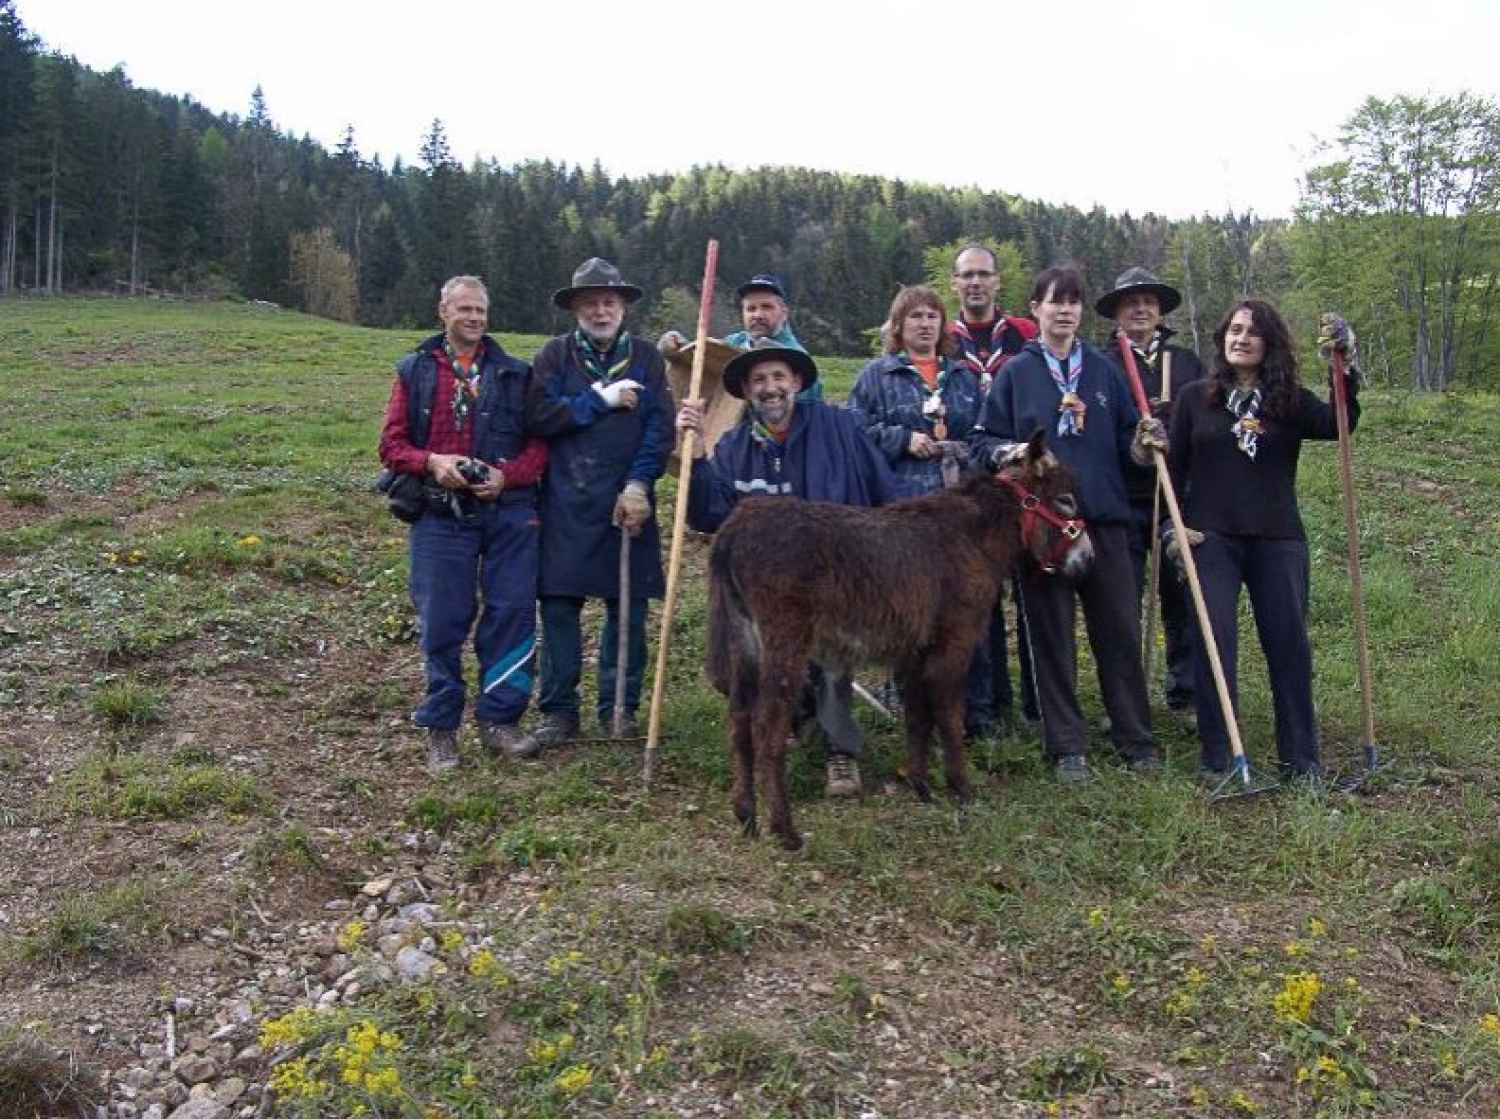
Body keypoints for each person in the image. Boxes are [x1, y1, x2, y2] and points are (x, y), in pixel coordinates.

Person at [971, 264, 1167, 782]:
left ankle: (1135, 737)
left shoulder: (1103, 370)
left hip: (1105, 520)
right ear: (1034, 310)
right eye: (1054, 301)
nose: (1065, 310)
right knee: (1050, 636)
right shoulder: (1016, 372)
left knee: (1119, 632)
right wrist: (1008, 451)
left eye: (1074, 301)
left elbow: (1131, 441)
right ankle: (1066, 746)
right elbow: (982, 442)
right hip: (1042, 528)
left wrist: (1145, 447)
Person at [678, 345, 897, 798]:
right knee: (731, 667)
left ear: (796, 382)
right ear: (746, 392)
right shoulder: (734, 448)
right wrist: (696, 455)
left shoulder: (838, 428)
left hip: (834, 580)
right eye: (758, 381)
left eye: (778, 377)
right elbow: (706, 514)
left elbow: (884, 492)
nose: (770, 388)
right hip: (765, 594)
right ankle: (798, 716)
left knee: (833, 658)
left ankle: (841, 751)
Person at [1164, 301, 1361, 782]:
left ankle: (1301, 759)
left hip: (1278, 537)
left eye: (1253, 332)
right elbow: (1173, 470)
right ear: (1222, 338)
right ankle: (1218, 756)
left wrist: (1346, 364)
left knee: (1289, 644)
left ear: (1269, 343)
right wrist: (1172, 529)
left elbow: (1339, 422)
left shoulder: (1288, 399)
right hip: (1210, 538)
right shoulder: (1195, 398)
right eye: (1234, 329)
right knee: (1216, 643)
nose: (1241, 338)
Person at [378, 275, 547, 773]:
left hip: (509, 512)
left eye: (479, 310)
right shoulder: (415, 371)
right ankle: (442, 729)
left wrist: (506, 475)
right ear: (443, 313)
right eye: (463, 309)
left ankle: (500, 720)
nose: (472, 318)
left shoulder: (517, 374)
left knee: (513, 612)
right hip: (438, 514)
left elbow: (540, 446)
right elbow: (390, 446)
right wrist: (433, 462)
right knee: (442, 621)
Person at [527, 258, 676, 743]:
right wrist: (601, 401)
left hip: (626, 502)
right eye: (590, 302)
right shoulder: (554, 356)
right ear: (575, 309)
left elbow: (659, 428)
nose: (600, 310)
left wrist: (639, 484)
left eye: (608, 301)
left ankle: (620, 709)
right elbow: (540, 416)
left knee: (627, 609)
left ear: (623, 307)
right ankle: (559, 712)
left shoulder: (648, 359)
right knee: (559, 608)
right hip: (565, 501)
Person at [847, 285, 996, 740]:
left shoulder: (964, 377)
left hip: (961, 518)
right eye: (915, 317)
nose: (925, 324)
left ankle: (977, 712)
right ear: (898, 326)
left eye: (933, 316)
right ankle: (915, 710)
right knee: (912, 616)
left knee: (967, 614)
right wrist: (901, 440)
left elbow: (984, 435)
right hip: (903, 516)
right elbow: (853, 431)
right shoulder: (877, 376)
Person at [1097, 267, 1205, 721]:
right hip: (1122, 499)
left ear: (1160, 310)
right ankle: (1126, 701)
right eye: (1130, 302)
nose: (1140, 308)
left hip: (1175, 496)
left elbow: (1204, 421)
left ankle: (1184, 694)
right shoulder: (1101, 364)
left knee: (1181, 597)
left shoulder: (1187, 363)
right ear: (1117, 312)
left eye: (1149, 301)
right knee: (1122, 602)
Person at [948, 243, 1041, 732]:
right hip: (967, 490)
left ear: (998, 282)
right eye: (967, 276)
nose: (976, 283)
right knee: (976, 597)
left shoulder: (1024, 335)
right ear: (955, 284)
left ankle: (1034, 703)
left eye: (984, 274)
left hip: (1021, 487)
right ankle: (987, 706)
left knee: (1028, 594)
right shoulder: (945, 339)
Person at [658, 272, 822, 402]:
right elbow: (706, 361)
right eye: (751, 308)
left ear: (784, 313)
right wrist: (678, 349)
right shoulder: (734, 343)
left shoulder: (798, 359)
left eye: (767, 307)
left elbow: (807, 400)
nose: (758, 315)